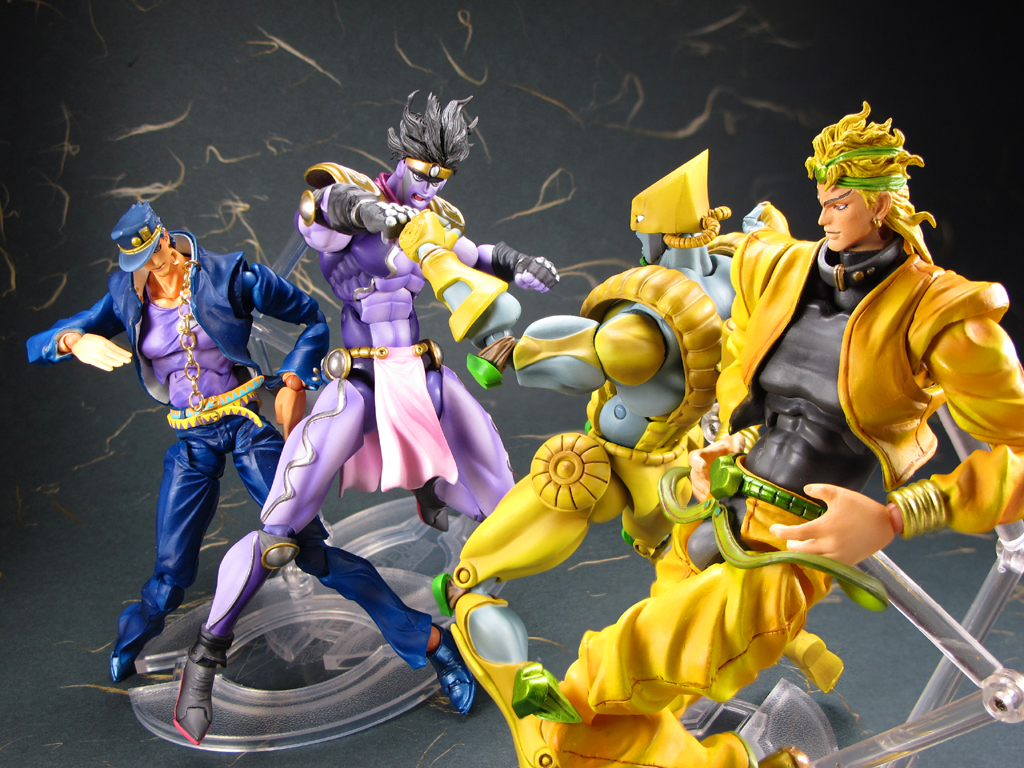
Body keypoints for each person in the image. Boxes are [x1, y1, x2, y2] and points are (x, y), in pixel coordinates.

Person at [441, 103, 1024, 768]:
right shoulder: (779, 270)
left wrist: (897, 516)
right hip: (711, 510)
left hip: (789, 546)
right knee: (601, 714)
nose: (825, 218)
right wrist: (730, 442)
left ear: (882, 205)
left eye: (839, 204)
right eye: (821, 202)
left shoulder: (942, 315)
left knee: (589, 695)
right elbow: (740, 376)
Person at [173, 92, 560, 744]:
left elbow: (472, 254)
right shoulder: (347, 201)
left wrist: (519, 264)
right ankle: (206, 657)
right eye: (422, 172)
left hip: (422, 375)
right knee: (279, 534)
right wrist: (371, 211)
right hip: (357, 383)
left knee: (508, 502)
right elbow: (323, 212)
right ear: (400, 159)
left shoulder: (432, 217)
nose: (430, 186)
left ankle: (465, 612)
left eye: (441, 178)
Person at [26, 201, 328, 683]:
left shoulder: (228, 276)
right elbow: (42, 341)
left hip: (245, 420)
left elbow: (312, 319)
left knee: (306, 537)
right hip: (191, 437)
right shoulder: (128, 296)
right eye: (138, 262)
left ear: (164, 237)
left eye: (153, 254)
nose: (150, 267)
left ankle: (408, 631)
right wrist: (73, 341)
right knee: (169, 572)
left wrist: (293, 377)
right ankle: (133, 639)